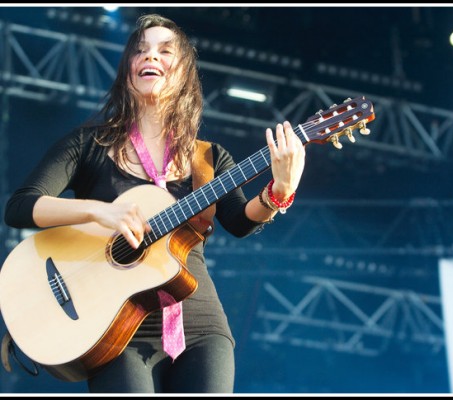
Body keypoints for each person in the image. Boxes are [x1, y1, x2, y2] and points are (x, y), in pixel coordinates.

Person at [3, 13, 306, 393]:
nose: (151, 57)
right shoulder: (88, 145)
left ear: (182, 74)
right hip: (114, 328)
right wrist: (100, 211)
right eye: (141, 50)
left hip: (200, 327)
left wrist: (280, 190)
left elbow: (242, 222)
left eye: (165, 51)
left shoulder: (209, 159)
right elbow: (20, 206)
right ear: (128, 68)